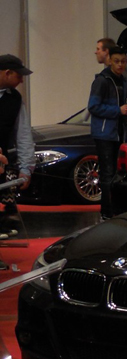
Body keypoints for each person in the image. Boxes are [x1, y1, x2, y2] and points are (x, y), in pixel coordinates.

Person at [88, 46, 127, 219]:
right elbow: (93, 106)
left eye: (123, 61)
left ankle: (119, 210)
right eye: (116, 61)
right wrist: (117, 110)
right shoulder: (102, 81)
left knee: (118, 174)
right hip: (104, 134)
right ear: (110, 61)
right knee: (107, 173)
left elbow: (121, 105)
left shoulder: (123, 80)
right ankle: (107, 212)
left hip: (119, 133)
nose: (120, 65)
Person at [0, 54, 34, 239]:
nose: (21, 81)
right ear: (7, 73)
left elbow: (23, 135)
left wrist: (26, 168)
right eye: (19, 76)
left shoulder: (15, 99)